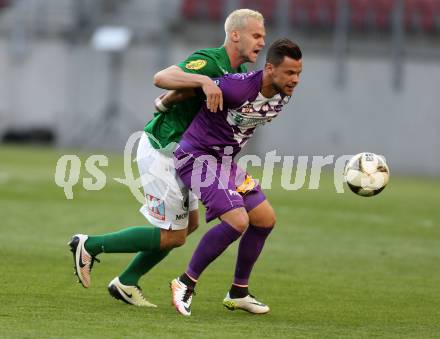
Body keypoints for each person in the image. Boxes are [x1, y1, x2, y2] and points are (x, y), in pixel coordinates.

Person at [68, 9, 266, 308]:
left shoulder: (238, 75)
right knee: (173, 236)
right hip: (164, 149)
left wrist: (172, 99)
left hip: (191, 157)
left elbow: (179, 96)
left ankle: (126, 282)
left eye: (264, 36)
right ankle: (90, 245)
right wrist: (203, 81)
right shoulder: (212, 60)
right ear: (235, 34)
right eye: (256, 35)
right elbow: (162, 77)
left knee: (188, 227)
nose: (262, 42)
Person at [170, 38, 303, 316]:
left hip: (224, 163)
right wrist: (165, 100)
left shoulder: (283, 94)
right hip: (197, 156)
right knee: (237, 220)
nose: (295, 80)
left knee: (264, 219)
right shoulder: (237, 86)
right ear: (269, 69)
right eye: (290, 72)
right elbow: (184, 85)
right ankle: (184, 283)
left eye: (299, 73)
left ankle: (238, 292)